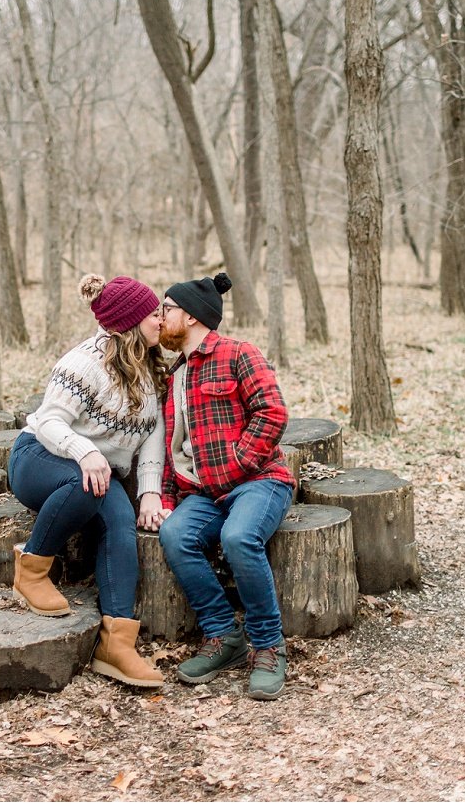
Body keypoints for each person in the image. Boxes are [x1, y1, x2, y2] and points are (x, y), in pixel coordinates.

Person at [6, 274, 168, 688]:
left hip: (95, 472)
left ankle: (116, 645)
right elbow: (48, 422)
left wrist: (149, 492)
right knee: (85, 484)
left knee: (120, 524)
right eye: (153, 314)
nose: (161, 321)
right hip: (40, 458)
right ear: (131, 322)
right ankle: (31, 571)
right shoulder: (82, 363)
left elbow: (152, 434)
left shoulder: (147, 366)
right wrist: (86, 452)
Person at [155, 272, 293, 700]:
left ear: (192, 317)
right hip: (202, 493)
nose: (159, 318)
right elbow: (171, 445)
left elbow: (271, 413)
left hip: (259, 482)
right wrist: (165, 497)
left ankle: (269, 645)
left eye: (166, 309)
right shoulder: (174, 374)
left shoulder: (238, 354)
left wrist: (237, 464)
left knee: (239, 537)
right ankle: (224, 637)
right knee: (174, 535)